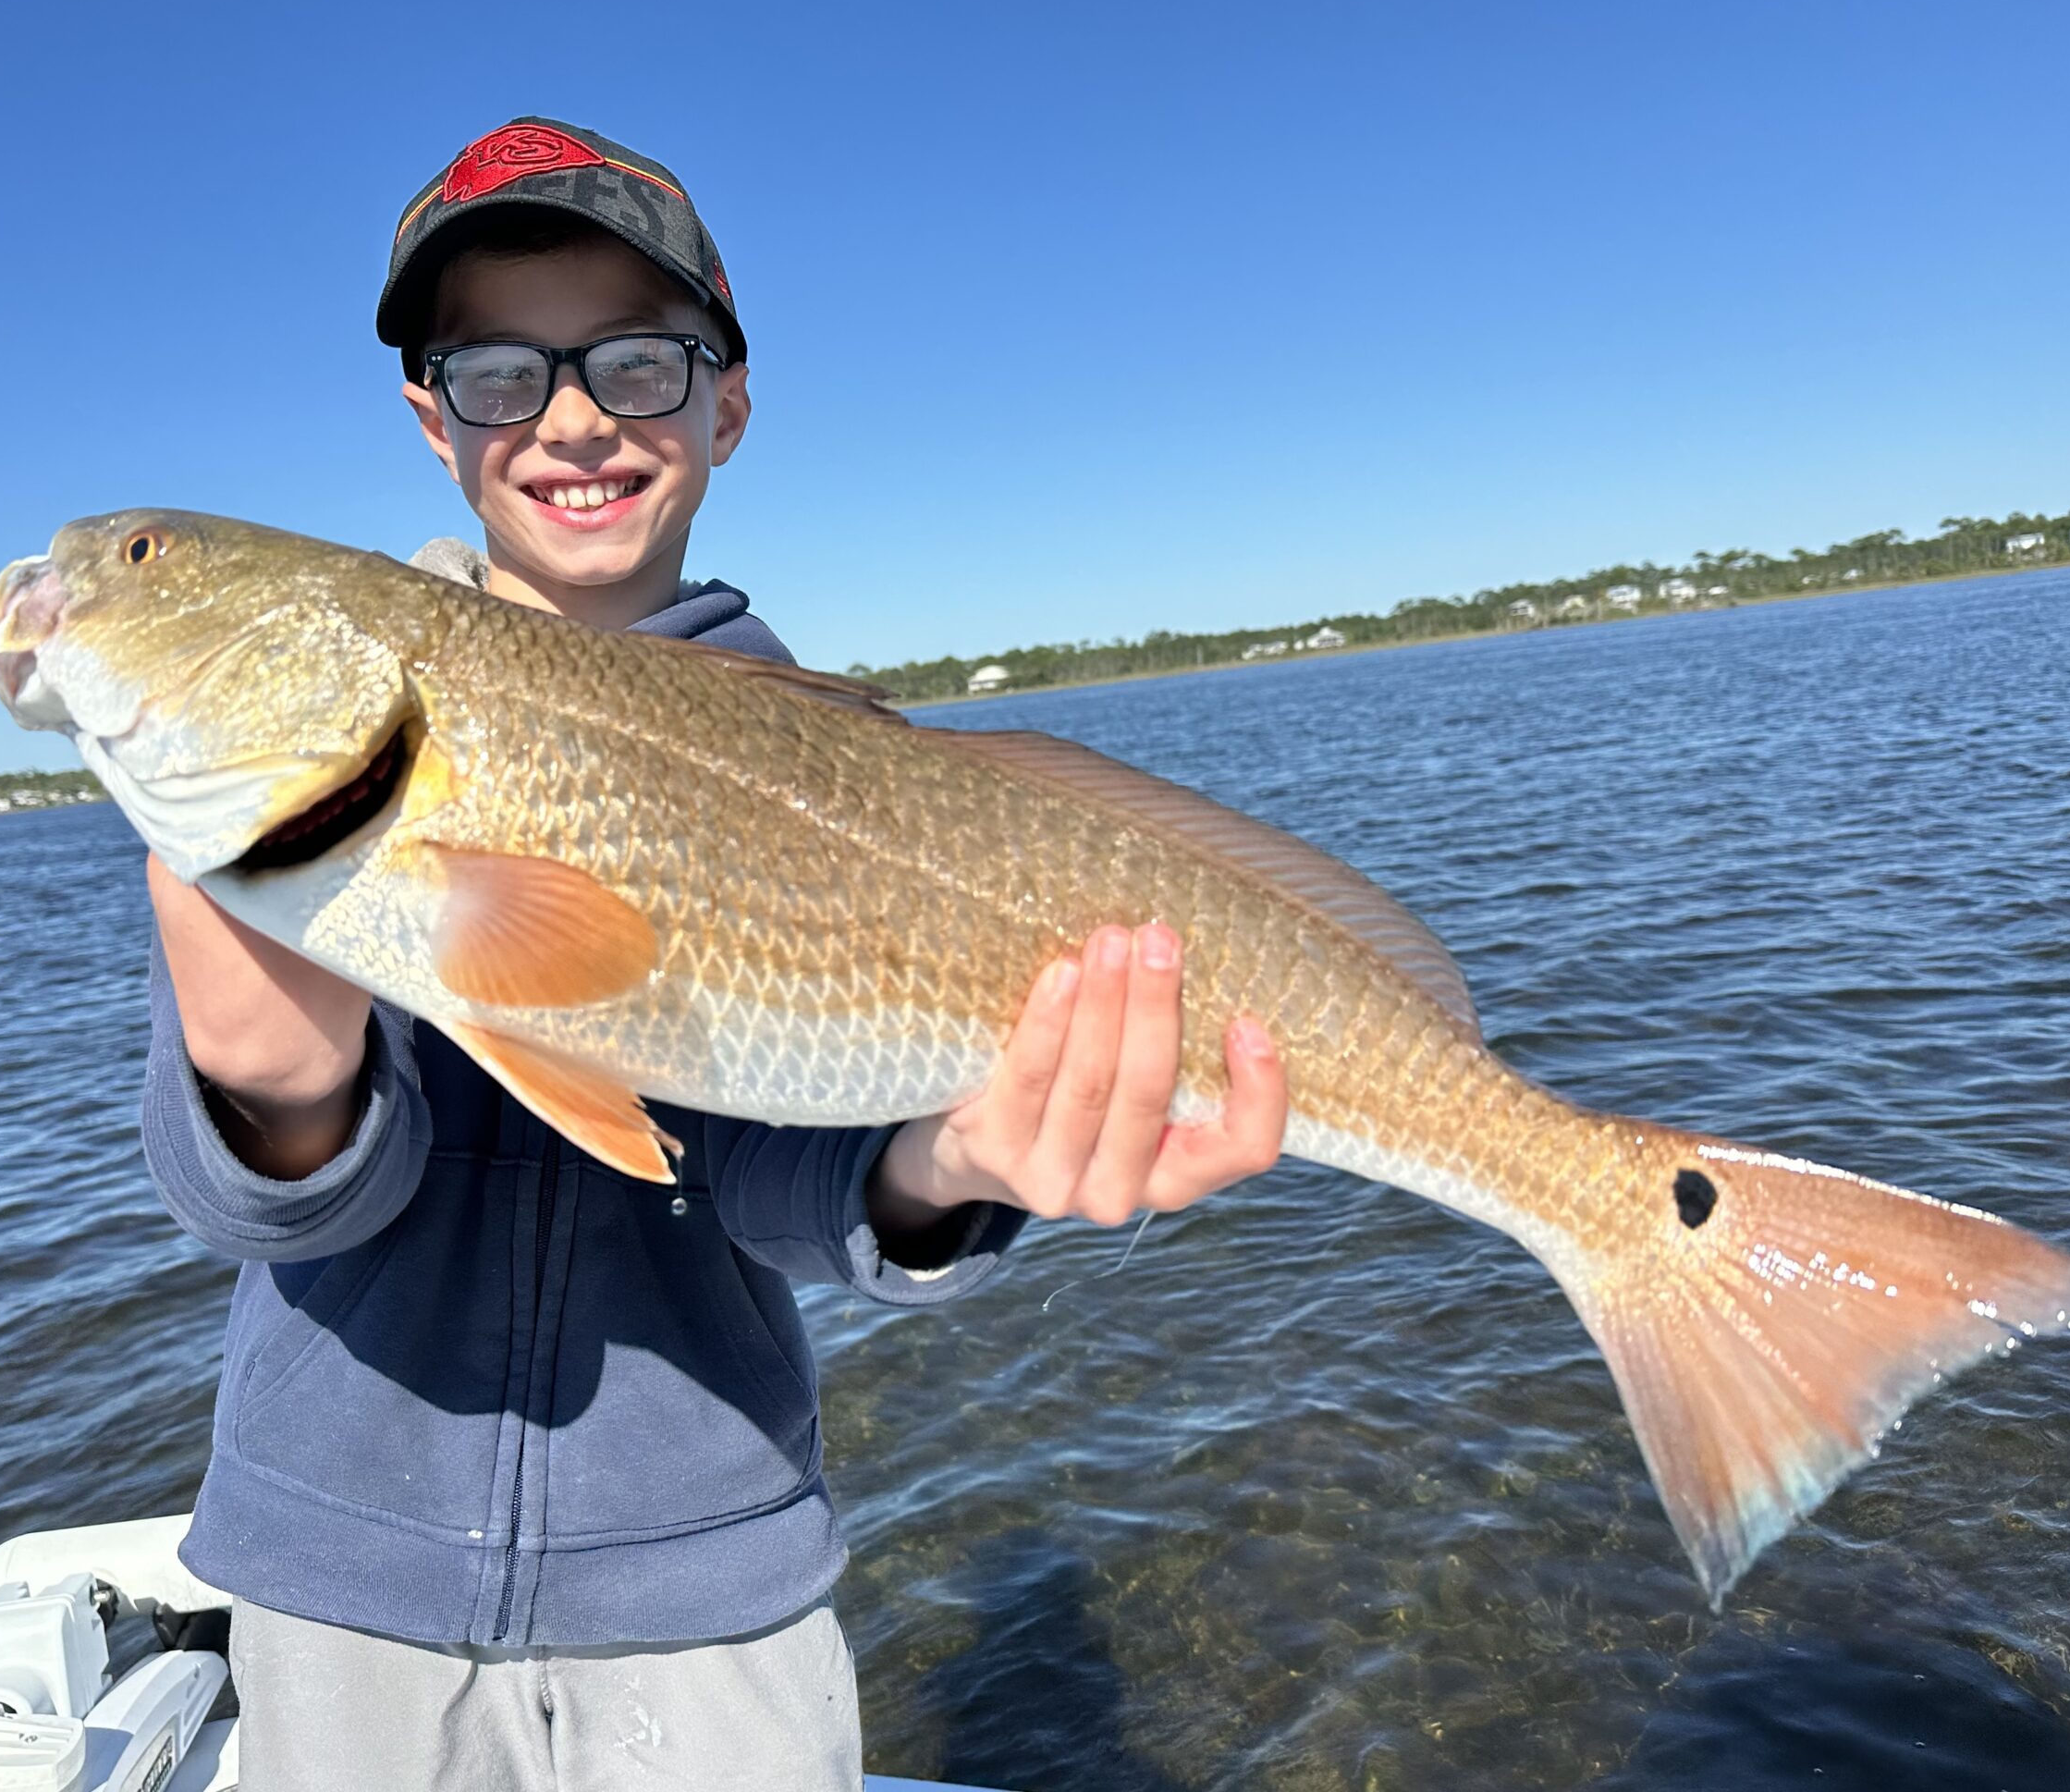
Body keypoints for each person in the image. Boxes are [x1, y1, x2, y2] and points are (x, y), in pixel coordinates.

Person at [141, 117, 1290, 1791]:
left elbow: (763, 1169)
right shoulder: (313, 724)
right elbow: (257, 1202)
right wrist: (277, 1097)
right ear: (429, 420)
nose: (578, 419)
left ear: (729, 404)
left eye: (640, 362)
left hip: (712, 1586)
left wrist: (948, 1167)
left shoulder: (819, 753)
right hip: (339, 1575)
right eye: (499, 374)